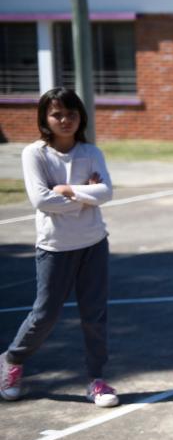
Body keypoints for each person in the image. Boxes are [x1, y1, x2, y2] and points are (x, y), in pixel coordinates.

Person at [1, 88, 118, 407]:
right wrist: (84, 196)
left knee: (95, 315)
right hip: (55, 246)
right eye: (57, 114)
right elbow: (40, 199)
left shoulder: (91, 152)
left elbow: (106, 192)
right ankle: (12, 360)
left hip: (93, 242)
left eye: (71, 114)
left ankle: (96, 379)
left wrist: (66, 191)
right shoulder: (34, 154)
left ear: (81, 117)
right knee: (45, 313)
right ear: (45, 118)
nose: (65, 120)